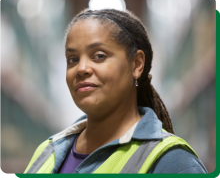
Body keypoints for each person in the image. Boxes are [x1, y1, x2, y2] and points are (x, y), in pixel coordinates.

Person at [24, 9, 208, 174]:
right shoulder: (47, 151)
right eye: (72, 59)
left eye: (99, 56)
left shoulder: (173, 163)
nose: (81, 68)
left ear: (136, 64)